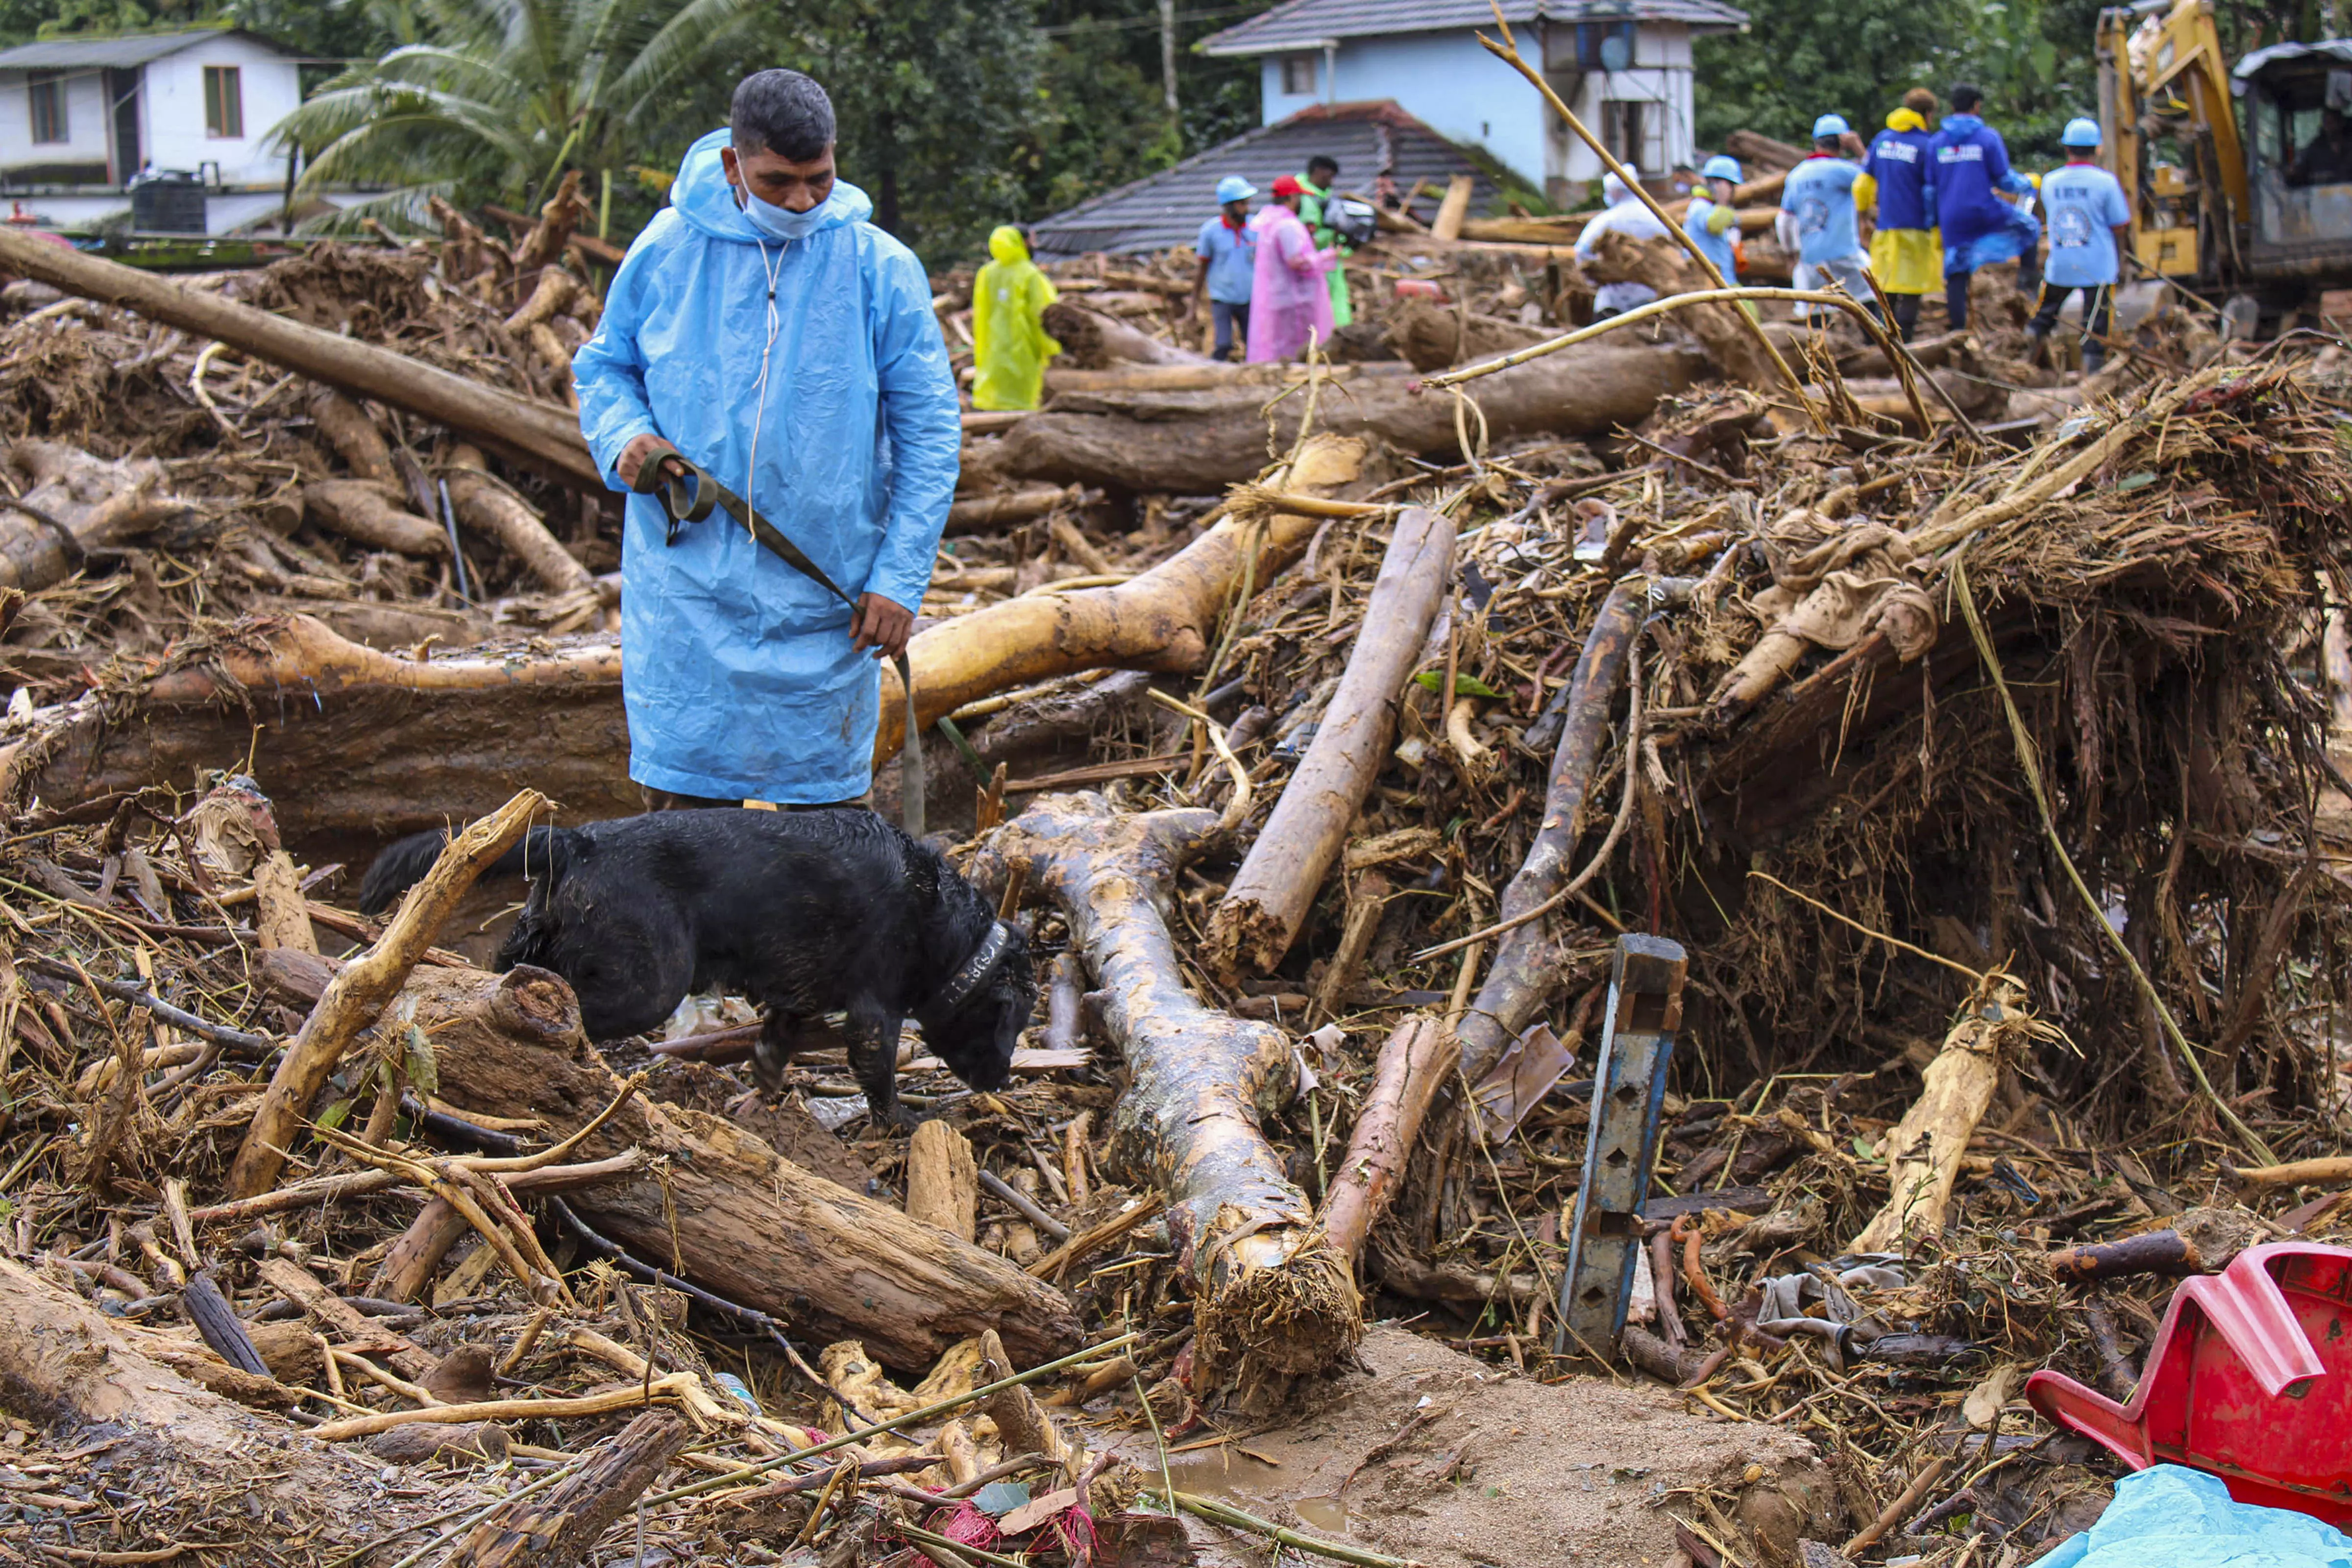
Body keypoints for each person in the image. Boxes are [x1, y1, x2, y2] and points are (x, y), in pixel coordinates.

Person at [572, 69, 959, 810]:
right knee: (684, 840)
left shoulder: (881, 268)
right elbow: (605, 366)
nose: (803, 200)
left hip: (829, 593)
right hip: (686, 591)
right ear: (731, 165)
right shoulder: (666, 251)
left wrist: (900, 577)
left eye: (820, 178)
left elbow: (930, 432)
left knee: (829, 846)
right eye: (778, 180)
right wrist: (623, 434)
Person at [1932, 82, 2040, 332]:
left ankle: (1959, 332)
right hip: (1984, 211)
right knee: (2030, 228)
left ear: (1951, 107)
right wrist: (2028, 183)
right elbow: (2004, 180)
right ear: (1977, 106)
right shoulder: (1987, 138)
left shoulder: (1937, 142)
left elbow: (1930, 188)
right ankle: (2026, 292)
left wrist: (1933, 220)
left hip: (1951, 217)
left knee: (1956, 271)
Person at [2029, 118, 2132, 372]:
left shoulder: (2050, 181)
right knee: (2095, 330)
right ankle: (2092, 381)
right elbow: (2120, 224)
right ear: (2097, 149)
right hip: (2098, 269)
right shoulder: (2106, 182)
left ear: (2067, 148)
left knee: (2043, 317)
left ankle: (2025, 363)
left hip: (2060, 264)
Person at [1859, 88, 1942, 341]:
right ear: (1927, 114)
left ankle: (1877, 342)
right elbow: (1932, 191)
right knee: (1912, 289)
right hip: (1916, 228)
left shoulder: (1882, 140)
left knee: (1886, 287)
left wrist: (1862, 212)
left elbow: (1862, 185)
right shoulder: (1927, 145)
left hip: (1886, 227)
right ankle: (1904, 345)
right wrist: (1936, 224)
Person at [1783, 114, 1874, 322]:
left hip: (1811, 258)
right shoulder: (1844, 171)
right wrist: (1859, 148)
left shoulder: (1796, 175)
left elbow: (1784, 221)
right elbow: (1875, 177)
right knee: (1869, 301)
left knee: (1815, 312)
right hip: (1845, 253)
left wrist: (1790, 254)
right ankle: (1878, 348)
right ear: (1842, 143)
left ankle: (1817, 353)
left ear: (1816, 143)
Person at [1247, 174, 1338, 361]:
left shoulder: (1269, 223)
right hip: (1294, 300)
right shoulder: (1287, 225)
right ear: (1292, 198)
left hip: (1278, 296)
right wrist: (1324, 257)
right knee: (1295, 345)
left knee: (1279, 343)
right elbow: (1296, 261)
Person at [971, 224, 1058, 412]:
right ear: (1023, 242)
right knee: (1023, 403)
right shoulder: (1031, 275)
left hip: (993, 351)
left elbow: (980, 315)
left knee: (998, 402)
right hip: (1023, 351)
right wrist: (1054, 349)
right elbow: (1046, 316)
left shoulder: (987, 273)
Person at [1573, 171, 1671, 318]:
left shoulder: (1607, 221)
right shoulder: (1658, 219)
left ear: (1615, 192)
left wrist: (1597, 276)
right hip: (1653, 298)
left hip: (1614, 301)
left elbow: (1582, 252)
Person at [1193, 174, 1257, 362]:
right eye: (1242, 204)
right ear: (1229, 206)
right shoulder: (1211, 232)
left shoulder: (1255, 228)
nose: (1246, 208)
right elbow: (1202, 268)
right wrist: (1193, 305)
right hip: (1223, 297)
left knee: (1252, 342)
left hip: (1249, 296)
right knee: (1223, 343)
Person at [1296, 154, 1353, 328]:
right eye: (1330, 176)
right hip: (1311, 268)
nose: (1332, 182)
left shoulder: (1323, 199)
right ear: (1319, 172)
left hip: (1327, 265)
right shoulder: (1304, 200)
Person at [1684, 154, 1742, 282]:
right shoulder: (1700, 206)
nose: (1732, 191)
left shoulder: (1715, 209)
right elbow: (1714, 226)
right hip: (1706, 283)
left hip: (1724, 280)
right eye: (1730, 186)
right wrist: (1723, 201)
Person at [2291, 106, 2352, 186]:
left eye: (2332, 122)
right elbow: (2300, 171)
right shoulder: (2314, 148)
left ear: (2341, 123)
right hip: (2322, 194)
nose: (2329, 127)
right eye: (2326, 123)